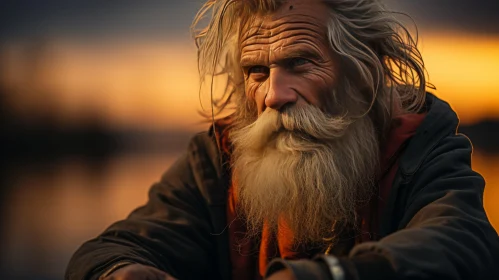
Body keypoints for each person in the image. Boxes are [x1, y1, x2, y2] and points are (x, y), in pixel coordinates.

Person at [65, 0, 499, 279]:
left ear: (362, 73)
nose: (274, 95)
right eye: (257, 72)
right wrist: (122, 272)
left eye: (302, 63)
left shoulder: (417, 141)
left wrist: (330, 275)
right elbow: (108, 250)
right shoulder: (217, 160)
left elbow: (465, 243)